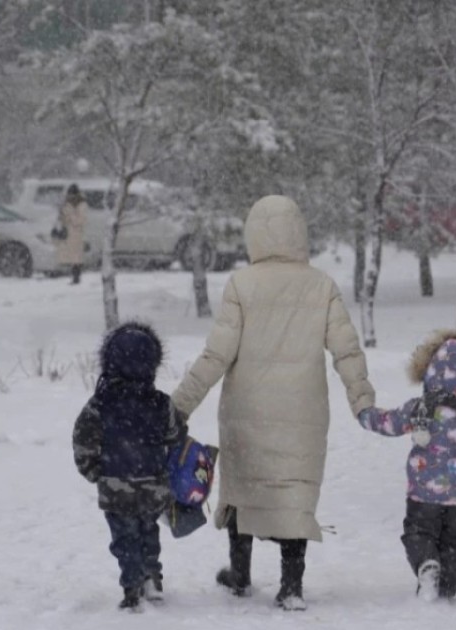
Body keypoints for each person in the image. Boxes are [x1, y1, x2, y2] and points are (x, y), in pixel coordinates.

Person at [171, 195, 375, 611]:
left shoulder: (242, 284)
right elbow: (347, 350)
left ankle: (240, 574)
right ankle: (291, 586)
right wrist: (362, 400)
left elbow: (216, 355)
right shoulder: (321, 285)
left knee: (243, 487)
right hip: (303, 410)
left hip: (249, 410)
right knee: (293, 492)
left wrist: (177, 406)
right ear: (299, 231)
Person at [356, 330, 456, 602]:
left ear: (429, 369)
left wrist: (365, 415)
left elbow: (389, 422)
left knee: (418, 532)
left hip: (424, 494)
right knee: (451, 540)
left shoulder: (418, 409)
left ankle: (426, 565)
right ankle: (447, 588)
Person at [72, 322, 184, 612]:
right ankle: (153, 577)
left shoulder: (100, 404)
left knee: (124, 538)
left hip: (115, 486)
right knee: (149, 533)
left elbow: (83, 440)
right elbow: (175, 436)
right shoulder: (160, 403)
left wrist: (94, 471)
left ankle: (132, 585)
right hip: (153, 485)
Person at [55, 183, 87, 284]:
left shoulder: (82, 205)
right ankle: (74, 276)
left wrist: (70, 214)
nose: (70, 197)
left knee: (76, 257)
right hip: (69, 234)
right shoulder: (67, 204)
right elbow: (63, 219)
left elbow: (80, 221)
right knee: (71, 257)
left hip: (77, 234)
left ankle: (76, 277)